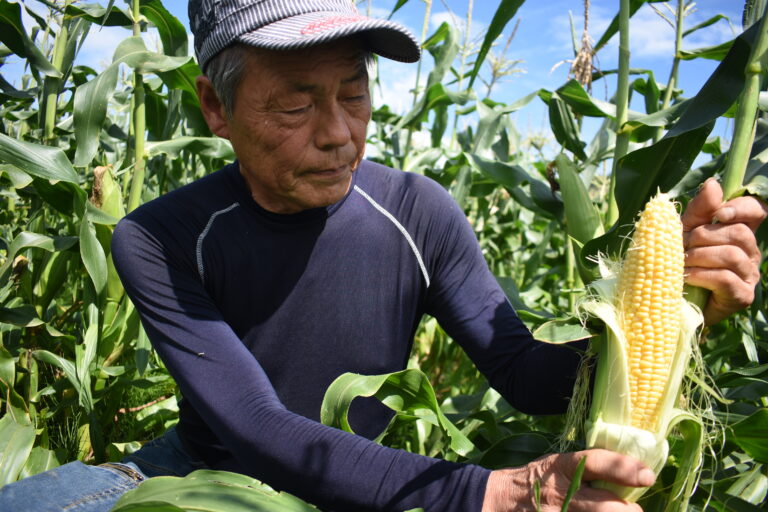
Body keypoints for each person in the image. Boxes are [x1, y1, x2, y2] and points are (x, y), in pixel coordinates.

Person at [1, 1, 766, 511]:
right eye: (297, 103)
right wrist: (490, 494)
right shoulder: (158, 237)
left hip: (368, 485)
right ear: (214, 107)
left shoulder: (414, 211)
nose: (338, 133)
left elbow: (528, 375)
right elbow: (258, 426)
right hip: (199, 480)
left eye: (355, 94)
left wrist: (675, 311)